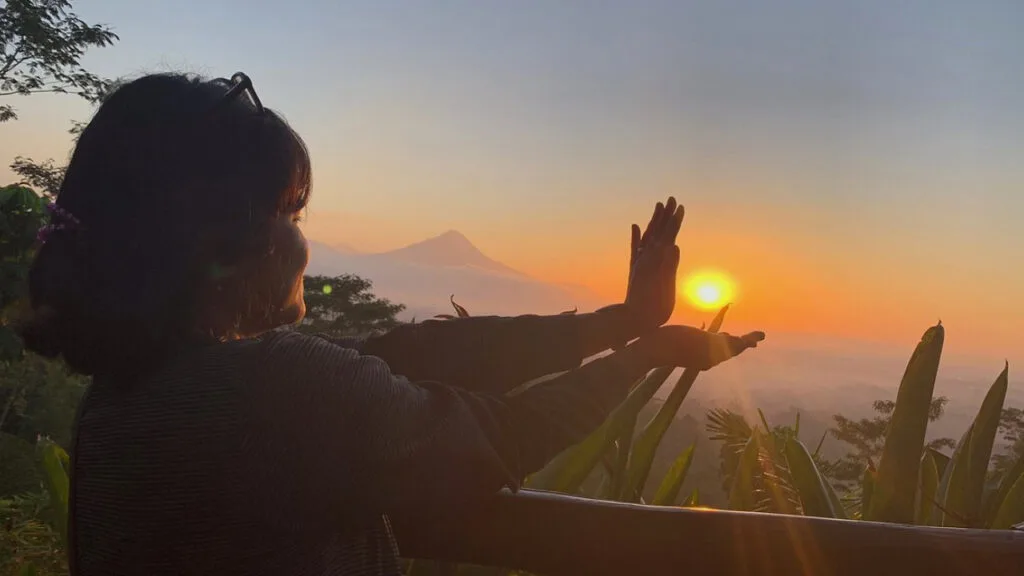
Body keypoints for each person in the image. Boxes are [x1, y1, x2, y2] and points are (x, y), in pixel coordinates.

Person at [18, 72, 764, 576]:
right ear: (225, 240)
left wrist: (617, 322)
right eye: (291, 213)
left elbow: (403, 356)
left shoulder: (123, 398)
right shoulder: (273, 388)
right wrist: (650, 350)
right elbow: (492, 438)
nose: (303, 239)